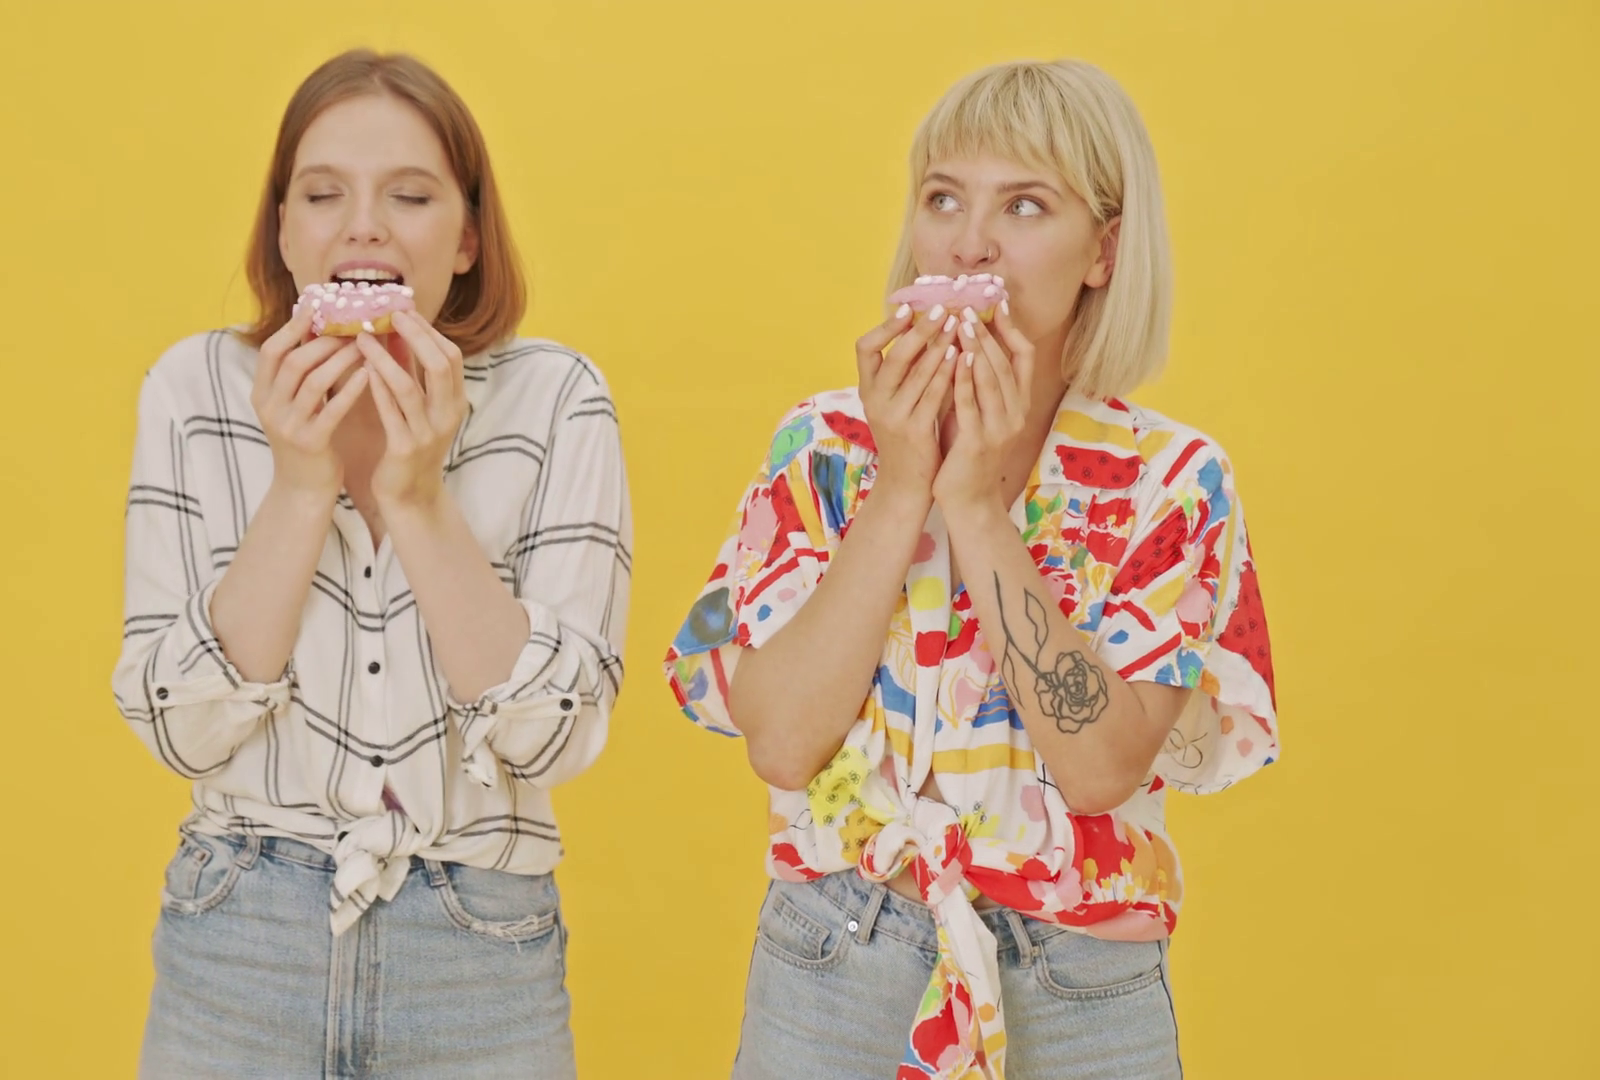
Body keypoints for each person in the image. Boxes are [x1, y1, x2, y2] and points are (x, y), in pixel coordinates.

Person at [664, 59, 1278, 1080]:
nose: (969, 242)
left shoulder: (1173, 481)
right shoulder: (823, 448)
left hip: (1078, 989)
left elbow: (1097, 770)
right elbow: (781, 742)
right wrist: (902, 485)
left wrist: (978, 510)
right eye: (944, 199)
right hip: (833, 961)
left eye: (1024, 205)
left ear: (1103, 252)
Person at [113, 49, 631, 1079]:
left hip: (479, 951)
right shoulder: (195, 389)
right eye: (323, 195)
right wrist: (301, 487)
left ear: (468, 236)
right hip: (239, 936)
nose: (364, 227)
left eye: (411, 195)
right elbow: (181, 729)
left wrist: (418, 496)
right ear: (283, 231)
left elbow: (554, 739)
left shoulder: (558, 400)